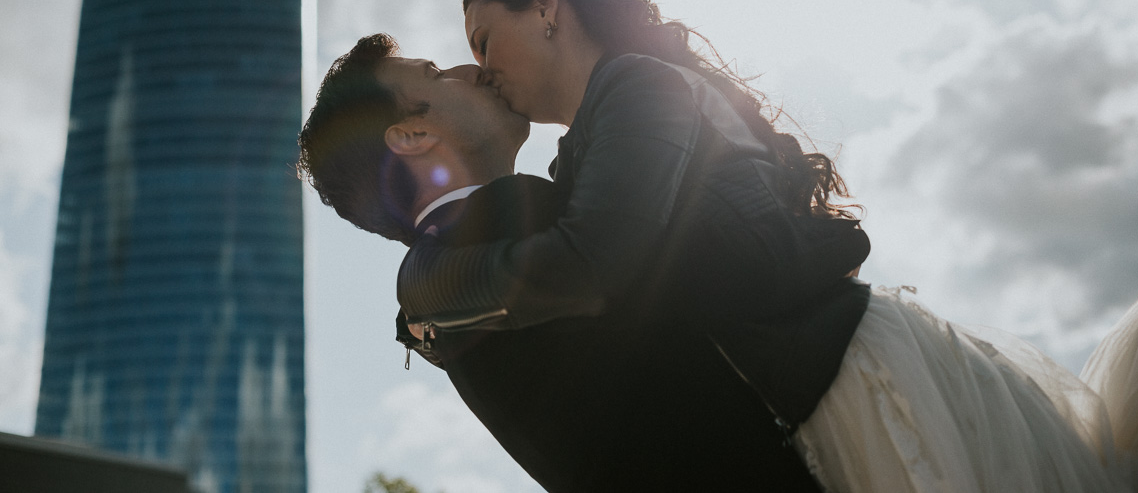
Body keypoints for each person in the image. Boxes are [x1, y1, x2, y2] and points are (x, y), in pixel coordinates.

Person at [397, 0, 1138, 492]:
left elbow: (598, 261)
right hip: (801, 379)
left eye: (482, 39)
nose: (480, 66)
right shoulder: (588, 145)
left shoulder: (637, 86)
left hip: (838, 378)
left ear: (544, 8)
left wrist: (433, 295)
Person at [296, 34, 830, 492]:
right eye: (435, 73)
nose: (472, 70)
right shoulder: (515, 221)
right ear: (413, 135)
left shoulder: (450, 287)